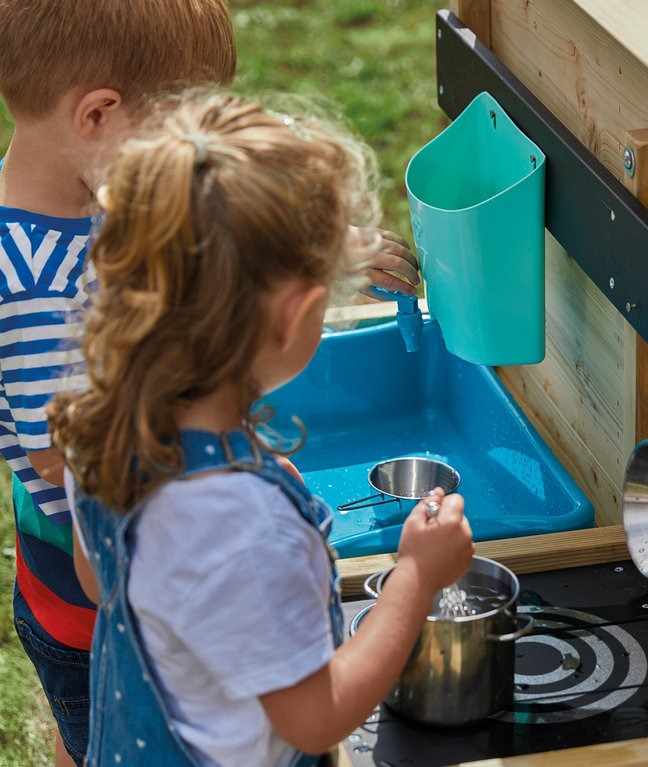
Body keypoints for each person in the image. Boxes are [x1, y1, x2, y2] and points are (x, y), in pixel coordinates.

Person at [0, 2, 419, 763]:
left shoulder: (115, 208)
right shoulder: (32, 287)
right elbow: (68, 456)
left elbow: (197, 250)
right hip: (90, 602)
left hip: (120, 583)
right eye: (174, 125)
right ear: (97, 113)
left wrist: (319, 247)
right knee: (101, 721)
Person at [48, 90, 474, 767]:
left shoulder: (102, 409)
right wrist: (416, 578)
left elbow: (101, 581)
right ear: (293, 314)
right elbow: (316, 716)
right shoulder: (243, 525)